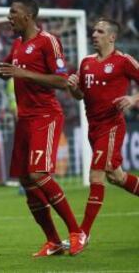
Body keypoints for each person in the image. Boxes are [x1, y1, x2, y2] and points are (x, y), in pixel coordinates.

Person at [0, 0, 86, 257]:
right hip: (24, 119)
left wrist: (26, 74)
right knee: (25, 179)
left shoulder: (48, 41)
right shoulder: (18, 45)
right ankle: (53, 241)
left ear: (28, 16)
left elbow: (62, 81)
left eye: (13, 13)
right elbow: (2, 70)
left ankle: (77, 232)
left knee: (39, 174)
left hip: (46, 116)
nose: (9, 17)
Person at [67, 18, 139, 242]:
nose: (94, 35)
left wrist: (133, 98)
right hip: (93, 128)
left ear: (112, 37)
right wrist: (73, 89)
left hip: (112, 126)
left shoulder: (123, 61)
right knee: (115, 176)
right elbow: (81, 96)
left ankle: (82, 234)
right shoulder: (86, 62)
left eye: (99, 31)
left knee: (96, 175)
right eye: (93, 31)